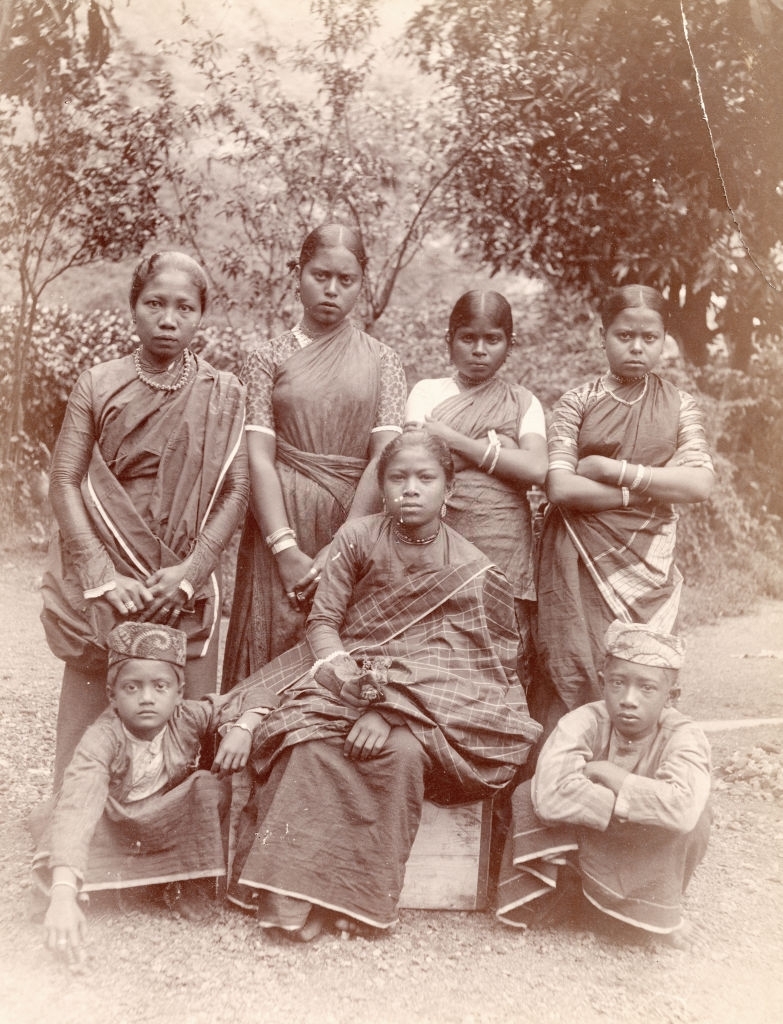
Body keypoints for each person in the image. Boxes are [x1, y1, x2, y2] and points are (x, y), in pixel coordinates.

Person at [217, 431, 542, 940]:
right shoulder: (357, 538)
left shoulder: (472, 570)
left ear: (448, 490)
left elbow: (474, 667)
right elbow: (323, 622)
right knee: (307, 742)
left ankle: (355, 902)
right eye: (398, 478)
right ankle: (292, 899)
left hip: (423, 706)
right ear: (382, 485)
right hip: (345, 679)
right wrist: (346, 677)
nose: (410, 489)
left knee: (401, 756)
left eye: (425, 478)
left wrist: (391, 709)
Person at [41, 251, 249, 790]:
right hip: (111, 582)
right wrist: (98, 571)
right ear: (133, 307)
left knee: (185, 723)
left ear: (202, 315)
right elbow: (65, 478)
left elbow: (237, 489)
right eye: (155, 303)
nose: (169, 318)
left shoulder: (224, 394)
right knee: (91, 714)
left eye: (185, 307)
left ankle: (175, 844)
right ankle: (77, 835)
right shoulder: (98, 382)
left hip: (183, 586)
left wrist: (193, 571)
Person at [221, 224, 406, 689]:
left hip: (354, 522)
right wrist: (283, 549)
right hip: (277, 524)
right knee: (266, 639)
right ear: (297, 274)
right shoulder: (267, 357)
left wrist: (343, 544)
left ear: (362, 284)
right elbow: (258, 456)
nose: (331, 289)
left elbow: (384, 457)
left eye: (347, 281)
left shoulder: (384, 360)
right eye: (320, 275)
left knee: (336, 646)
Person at [532, 284, 714, 738]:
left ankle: (639, 783)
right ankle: (567, 782)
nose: (636, 347)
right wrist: (648, 488)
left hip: (650, 563)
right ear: (603, 335)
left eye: (649, 338)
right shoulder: (577, 402)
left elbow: (699, 483)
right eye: (624, 335)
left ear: (664, 339)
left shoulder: (679, 406)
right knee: (573, 666)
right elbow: (560, 486)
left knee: (642, 671)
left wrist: (609, 468)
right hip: (576, 560)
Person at [32, 623, 261, 963]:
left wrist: (245, 726)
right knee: (63, 820)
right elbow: (81, 805)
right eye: (132, 687)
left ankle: (182, 881)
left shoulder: (187, 716)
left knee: (207, 787)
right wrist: (63, 894)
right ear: (112, 695)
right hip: (116, 825)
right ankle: (138, 882)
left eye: (160, 686)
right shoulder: (102, 739)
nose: (147, 698)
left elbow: (253, 696)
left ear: (179, 692)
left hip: (164, 822)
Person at [496, 620, 711, 947]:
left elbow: (682, 810)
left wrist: (616, 778)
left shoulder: (684, 735)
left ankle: (651, 911)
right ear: (602, 682)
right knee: (530, 792)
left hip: (640, 842)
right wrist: (632, 806)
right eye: (617, 683)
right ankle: (577, 902)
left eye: (647, 688)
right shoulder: (584, 721)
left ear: (672, 696)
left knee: (699, 815)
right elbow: (550, 795)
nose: (628, 699)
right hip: (592, 848)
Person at [405, 290, 548, 682]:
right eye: (468, 338)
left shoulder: (522, 402)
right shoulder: (428, 392)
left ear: (510, 345)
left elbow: (536, 467)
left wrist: (454, 442)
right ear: (448, 341)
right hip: (440, 542)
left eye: (492, 340)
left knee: (502, 663)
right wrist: (499, 453)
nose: (479, 350)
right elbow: (416, 463)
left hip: (504, 548)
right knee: (438, 656)